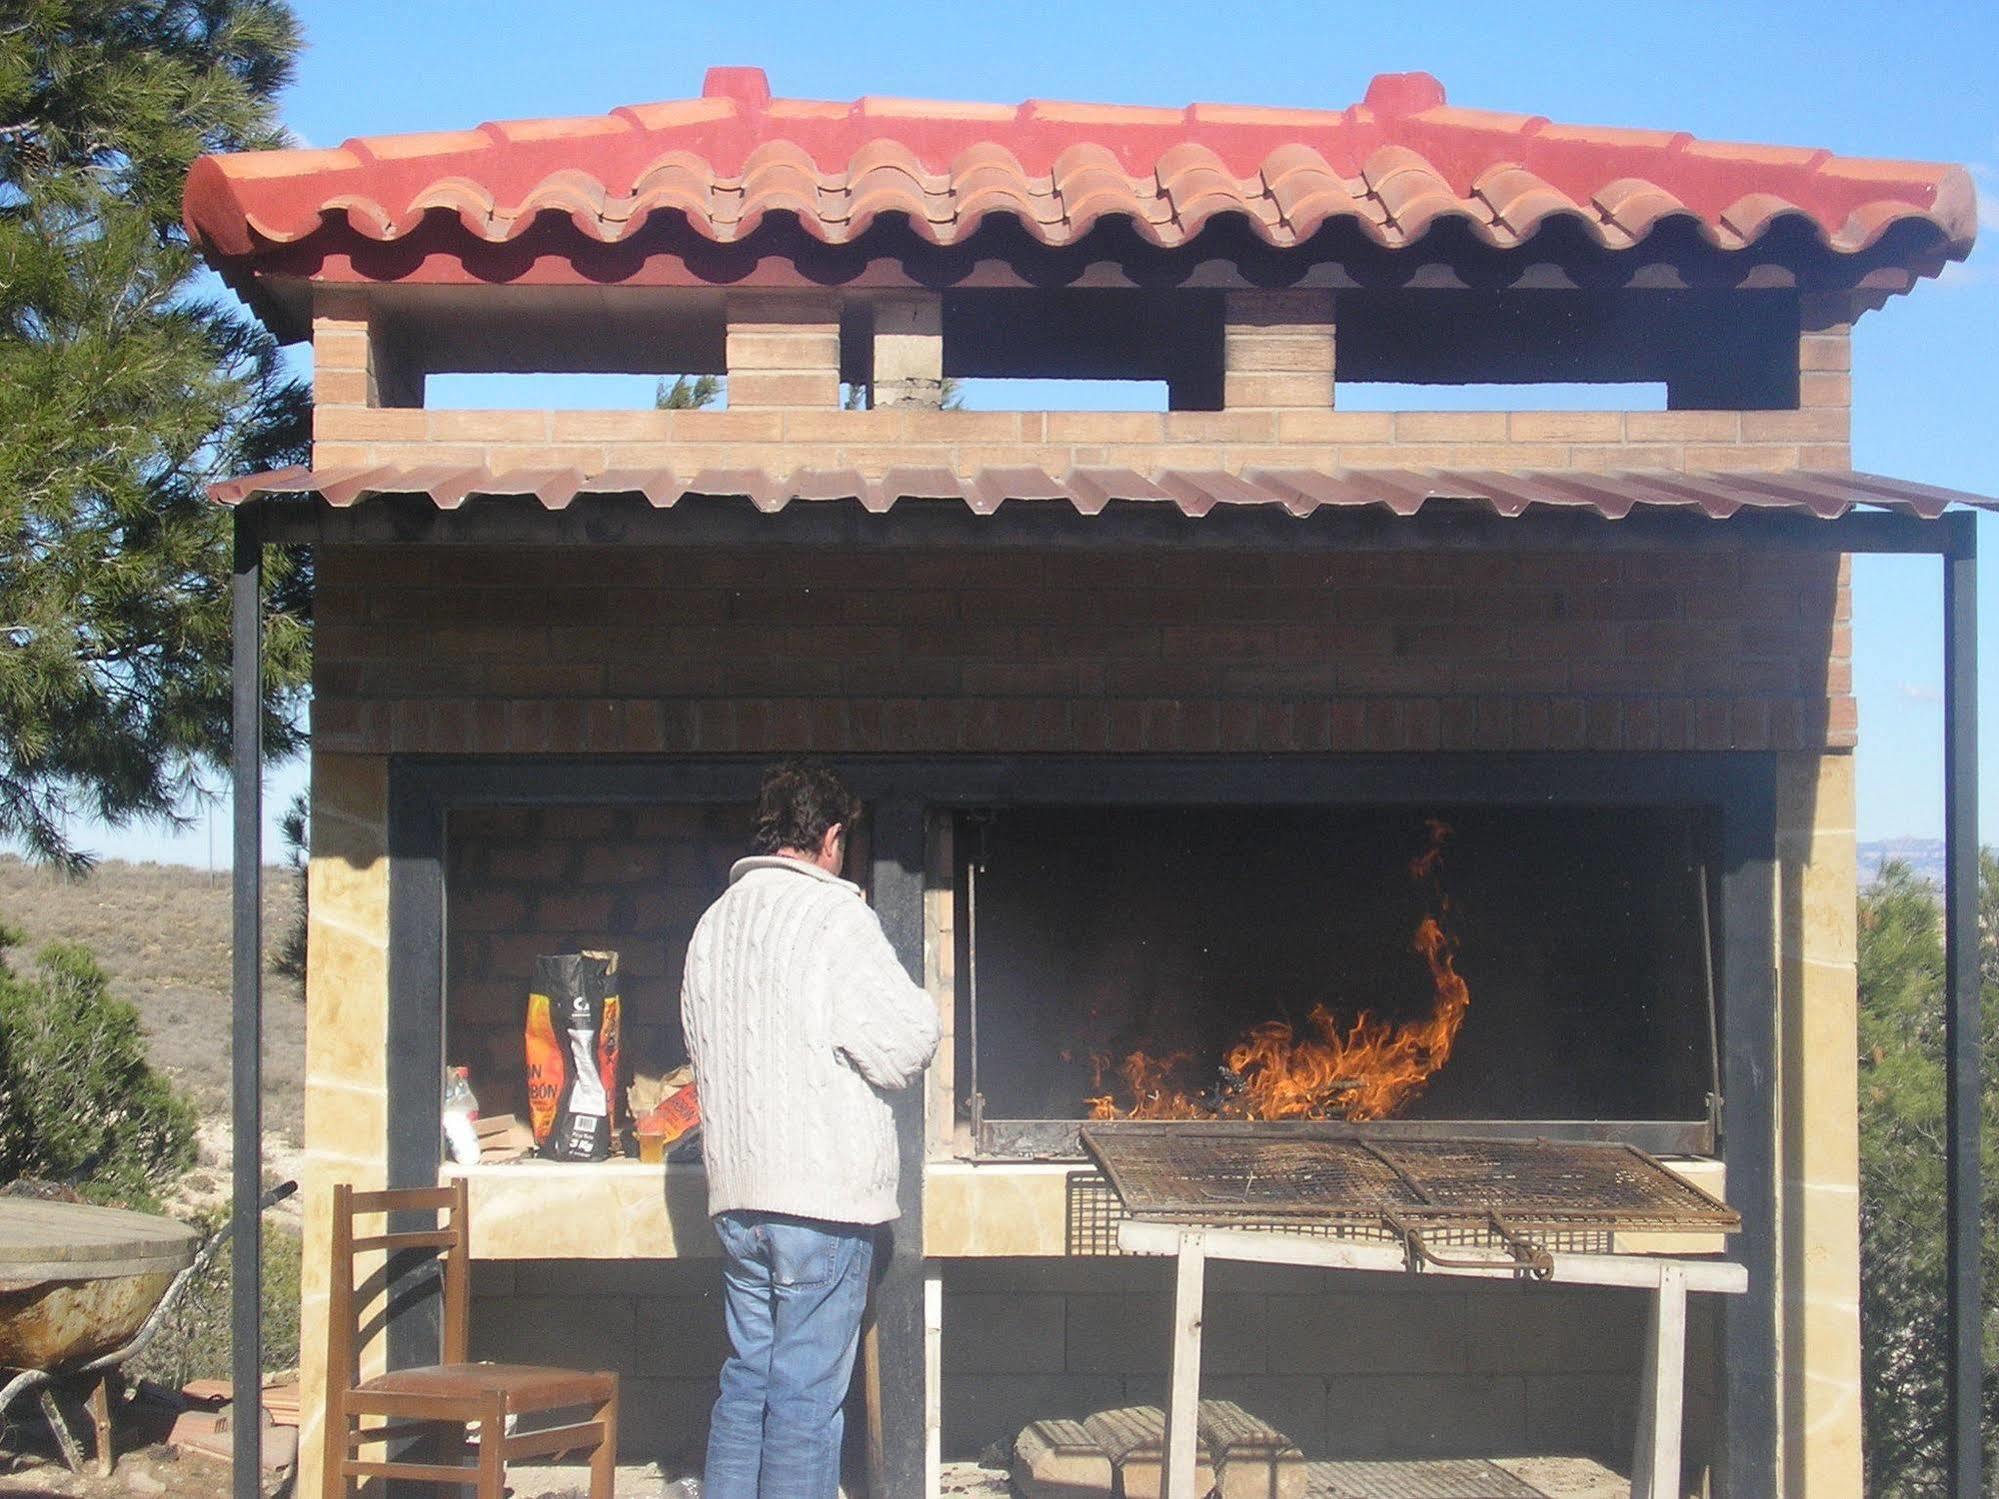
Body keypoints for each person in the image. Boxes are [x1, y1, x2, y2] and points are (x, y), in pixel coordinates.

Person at [681, 761, 941, 1499]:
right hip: (820, 1202)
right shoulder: (836, 917)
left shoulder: (711, 924)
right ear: (830, 836)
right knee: (803, 1400)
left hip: (737, 1197)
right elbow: (904, 1045)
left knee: (747, 1386)